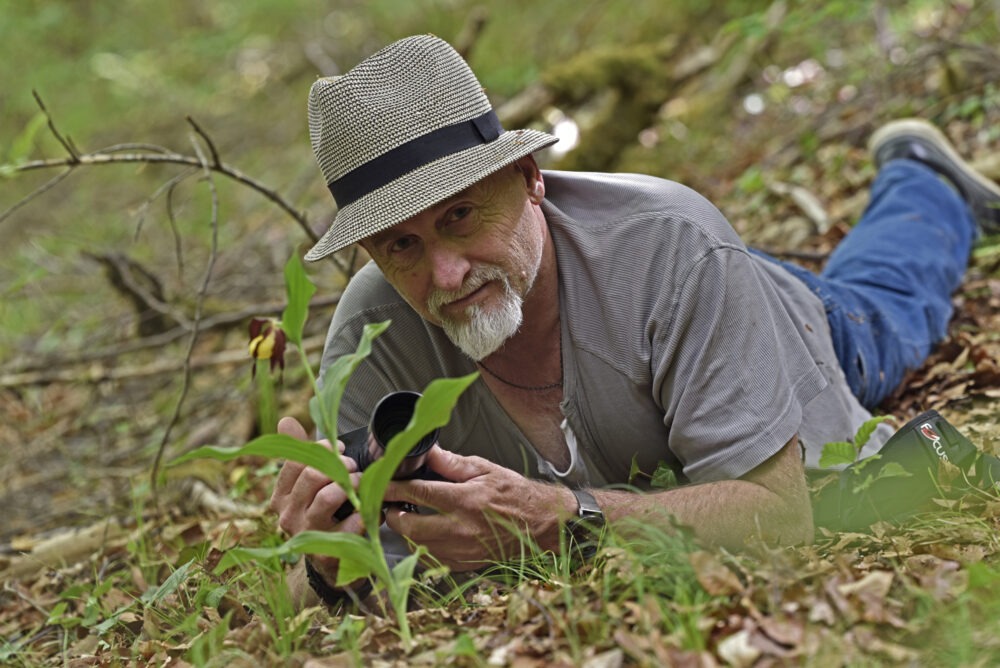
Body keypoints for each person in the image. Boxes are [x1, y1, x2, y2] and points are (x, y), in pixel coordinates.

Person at [269, 35, 1000, 607]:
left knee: (888, 310)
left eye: (460, 216)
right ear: (369, 252)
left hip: (790, 321)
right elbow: (312, 591)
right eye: (402, 246)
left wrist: (562, 520)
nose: (446, 275)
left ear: (529, 180)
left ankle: (923, 179)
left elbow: (781, 519)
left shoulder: (673, 246)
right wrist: (328, 567)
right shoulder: (372, 335)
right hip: (660, 288)